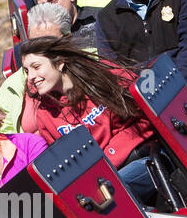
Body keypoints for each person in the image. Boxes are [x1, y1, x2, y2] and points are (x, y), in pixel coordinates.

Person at [18, 36, 157, 202]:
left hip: (142, 156)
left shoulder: (102, 76)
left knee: (112, 192)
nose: (31, 77)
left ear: (60, 63)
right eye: (27, 71)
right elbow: (69, 162)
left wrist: (110, 156)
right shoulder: (44, 115)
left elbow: (146, 117)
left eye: (36, 67)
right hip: (101, 177)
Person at [0, 1, 75, 133]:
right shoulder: (12, 87)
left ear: (67, 38)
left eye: (49, 43)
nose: (41, 51)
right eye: (35, 44)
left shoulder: (90, 67)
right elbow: (6, 139)